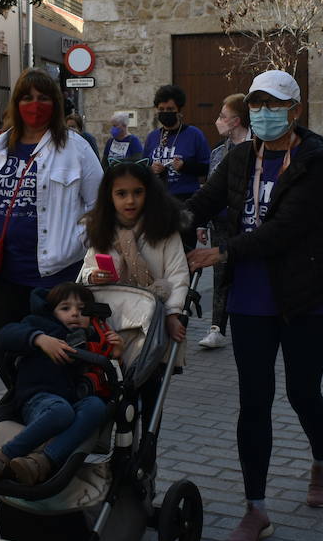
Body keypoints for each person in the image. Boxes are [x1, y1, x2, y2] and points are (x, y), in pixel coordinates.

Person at [185, 70, 323, 541]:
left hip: (305, 297)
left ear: (294, 110)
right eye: (255, 104)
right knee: (253, 402)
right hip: (251, 299)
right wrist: (155, 221)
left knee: (302, 393)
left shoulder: (315, 164)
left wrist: (224, 252)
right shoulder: (237, 160)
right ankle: (256, 508)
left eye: (273, 104)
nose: (263, 113)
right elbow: (202, 202)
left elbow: (286, 230)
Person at [0, 69, 104, 385]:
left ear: (56, 104)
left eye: (43, 97)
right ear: (16, 103)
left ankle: (41, 405)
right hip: (4, 270)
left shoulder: (77, 148)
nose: (35, 104)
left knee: (51, 352)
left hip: (55, 274)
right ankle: (25, 400)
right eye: (27, 97)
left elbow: (100, 207)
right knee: (0, 341)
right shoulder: (2, 145)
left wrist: (78, 242)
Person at [0, 283, 120, 485]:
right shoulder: (39, 324)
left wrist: (115, 354)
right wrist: (39, 339)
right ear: (52, 311)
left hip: (72, 401)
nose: (75, 314)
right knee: (61, 411)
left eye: (82, 310)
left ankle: (41, 462)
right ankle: (2, 456)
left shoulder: (93, 339)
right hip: (38, 399)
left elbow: (109, 384)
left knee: (96, 406)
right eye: (66, 308)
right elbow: (6, 334)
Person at [79, 160, 189, 345]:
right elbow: (87, 268)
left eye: (138, 192)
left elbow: (177, 274)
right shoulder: (102, 228)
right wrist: (93, 276)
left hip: (154, 319)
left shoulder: (164, 229)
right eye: (121, 194)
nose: (130, 200)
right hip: (110, 320)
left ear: (149, 193)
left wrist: (172, 314)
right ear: (110, 196)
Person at [198, 94, 251, 350]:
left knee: (247, 273)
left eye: (222, 116)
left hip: (246, 224)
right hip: (220, 225)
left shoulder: (257, 149)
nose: (217, 121)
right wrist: (202, 223)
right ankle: (217, 328)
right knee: (220, 277)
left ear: (236, 121)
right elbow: (209, 191)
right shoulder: (219, 152)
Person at [143, 84, 210, 244]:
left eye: (170, 109)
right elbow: (143, 167)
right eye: (161, 109)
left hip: (185, 202)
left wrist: (185, 166)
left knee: (185, 251)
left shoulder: (194, 135)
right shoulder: (153, 137)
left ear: (179, 110)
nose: (165, 113)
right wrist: (151, 169)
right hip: (159, 202)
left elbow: (207, 168)